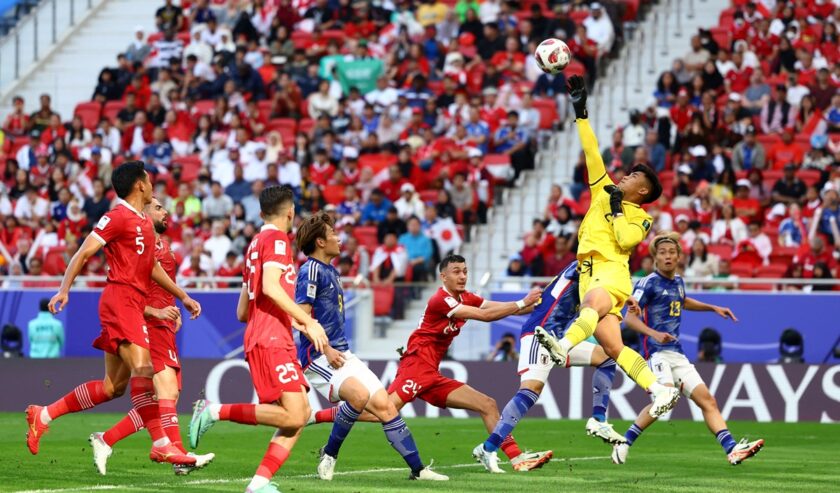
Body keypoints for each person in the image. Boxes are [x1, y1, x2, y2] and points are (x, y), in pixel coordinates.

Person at [27, 162, 201, 467]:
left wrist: (182, 296)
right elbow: (83, 252)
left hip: (132, 303)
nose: (151, 185)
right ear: (139, 186)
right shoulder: (117, 216)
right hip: (120, 301)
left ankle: (43, 414)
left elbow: (152, 267)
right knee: (145, 368)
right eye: (148, 180)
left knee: (113, 388)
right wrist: (64, 289)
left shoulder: (145, 224)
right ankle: (162, 443)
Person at [312, 254, 552, 472]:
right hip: (415, 367)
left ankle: (516, 458)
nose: (462, 276)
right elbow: (485, 316)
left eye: (465, 271)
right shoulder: (441, 300)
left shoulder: (466, 297)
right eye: (456, 271)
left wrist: (544, 301)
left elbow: (498, 309)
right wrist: (521, 303)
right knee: (380, 413)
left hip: (432, 374)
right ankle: (315, 417)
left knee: (487, 404)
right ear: (443, 276)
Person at [534, 75, 679, 419]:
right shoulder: (604, 189)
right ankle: (659, 390)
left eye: (632, 178)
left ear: (642, 191)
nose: (624, 177)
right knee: (613, 347)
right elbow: (591, 151)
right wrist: (580, 111)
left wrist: (615, 209)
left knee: (590, 305)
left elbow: (627, 240)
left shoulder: (639, 215)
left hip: (610, 270)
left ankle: (563, 345)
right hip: (589, 271)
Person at [189, 185, 329, 493]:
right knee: (295, 414)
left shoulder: (254, 245)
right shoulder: (277, 240)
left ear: (261, 212)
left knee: (298, 415)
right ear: (290, 212)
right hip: (271, 340)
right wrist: (307, 320)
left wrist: (296, 323)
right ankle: (213, 411)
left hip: (266, 335)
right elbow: (269, 287)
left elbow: (243, 310)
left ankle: (259, 484)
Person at [294, 212, 446, 481]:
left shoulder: (331, 270)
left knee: (386, 407)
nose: (339, 238)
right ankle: (328, 456)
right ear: (319, 241)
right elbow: (300, 317)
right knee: (360, 396)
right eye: (333, 234)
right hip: (318, 357)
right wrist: (326, 348)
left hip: (342, 352)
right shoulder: (310, 270)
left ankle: (418, 470)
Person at [614, 232, 764, 466]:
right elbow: (629, 320)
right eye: (662, 253)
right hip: (656, 352)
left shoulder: (678, 282)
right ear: (655, 258)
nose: (667, 257)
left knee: (708, 401)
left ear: (678, 257)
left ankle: (732, 449)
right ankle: (624, 443)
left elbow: (682, 301)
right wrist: (654, 333)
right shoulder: (648, 283)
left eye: (672, 253)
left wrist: (713, 307)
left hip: (677, 354)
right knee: (664, 401)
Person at [90, 198, 215, 475]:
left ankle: (107, 439)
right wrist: (155, 312)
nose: (165, 211)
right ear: (142, 213)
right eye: (157, 207)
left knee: (163, 397)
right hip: (148, 323)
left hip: (163, 324)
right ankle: (179, 457)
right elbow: (131, 290)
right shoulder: (139, 244)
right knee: (166, 391)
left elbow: (160, 284)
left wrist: (176, 304)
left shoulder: (162, 245)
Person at [473, 260, 626, 473]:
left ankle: (599, 419)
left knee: (607, 357)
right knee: (530, 390)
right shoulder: (585, 264)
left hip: (560, 340)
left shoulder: (598, 271)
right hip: (540, 333)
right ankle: (487, 448)